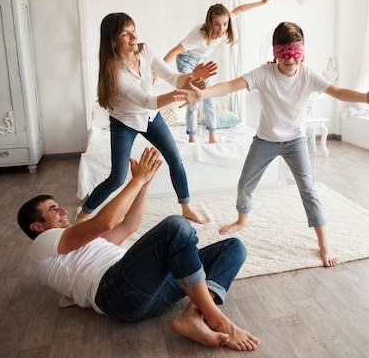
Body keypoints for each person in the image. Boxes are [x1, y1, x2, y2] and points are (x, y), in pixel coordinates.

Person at [184, 21, 369, 268]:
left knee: (308, 189)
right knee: (245, 183)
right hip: (265, 141)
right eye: (284, 55)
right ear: (275, 53)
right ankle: (242, 219)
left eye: (295, 54)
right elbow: (230, 86)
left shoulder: (308, 75)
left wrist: (365, 98)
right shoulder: (264, 73)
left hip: (295, 141)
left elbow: (338, 92)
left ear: (302, 52)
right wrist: (202, 94)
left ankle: (324, 242)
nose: (290, 60)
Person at [17, 147, 260, 351]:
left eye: (58, 206)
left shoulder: (80, 245)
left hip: (150, 289)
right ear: (37, 226)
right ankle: (215, 318)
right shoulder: (43, 244)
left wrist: (145, 185)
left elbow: (129, 225)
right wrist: (136, 180)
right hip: (115, 293)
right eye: (52, 210)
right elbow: (104, 222)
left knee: (233, 247)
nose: (62, 211)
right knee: (175, 227)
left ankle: (192, 315)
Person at [76, 12, 217, 224]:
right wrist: (182, 92)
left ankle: (186, 207)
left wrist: (192, 76)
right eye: (125, 33)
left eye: (133, 29)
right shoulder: (114, 73)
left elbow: (171, 77)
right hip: (125, 122)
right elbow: (147, 101)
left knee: (175, 159)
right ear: (113, 41)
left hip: (150, 117)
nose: (133, 36)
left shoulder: (146, 51)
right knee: (117, 177)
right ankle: (83, 215)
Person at [164, 0, 275, 143]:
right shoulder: (197, 37)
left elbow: (239, 9)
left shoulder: (225, 27)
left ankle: (212, 136)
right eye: (217, 24)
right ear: (210, 23)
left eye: (224, 24)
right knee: (194, 98)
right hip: (186, 61)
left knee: (209, 96)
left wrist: (261, 2)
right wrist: (158, 72)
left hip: (202, 60)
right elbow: (174, 51)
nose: (222, 29)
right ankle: (192, 136)